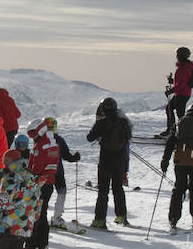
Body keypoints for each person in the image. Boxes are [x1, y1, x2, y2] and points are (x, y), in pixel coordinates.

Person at [86, 97, 132, 228]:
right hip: (120, 160)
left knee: (103, 191)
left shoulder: (102, 122)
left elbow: (89, 137)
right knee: (118, 188)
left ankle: (100, 220)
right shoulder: (123, 122)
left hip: (106, 160)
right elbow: (128, 137)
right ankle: (121, 216)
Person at [160, 106, 193, 231]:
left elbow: (170, 142)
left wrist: (165, 160)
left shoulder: (179, 124)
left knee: (179, 188)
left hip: (180, 160)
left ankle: (173, 218)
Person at [24, 119, 61, 249]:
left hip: (38, 184)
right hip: (49, 183)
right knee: (42, 215)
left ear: (39, 130)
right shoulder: (53, 144)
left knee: (33, 215)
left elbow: (36, 167)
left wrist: (27, 176)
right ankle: (43, 246)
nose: (32, 136)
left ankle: (30, 246)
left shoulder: (40, 146)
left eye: (32, 133)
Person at [46, 117, 81, 226]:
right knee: (45, 195)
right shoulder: (46, 140)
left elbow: (66, 155)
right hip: (48, 172)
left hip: (56, 172)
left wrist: (74, 158)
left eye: (51, 127)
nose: (50, 129)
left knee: (61, 192)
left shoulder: (57, 140)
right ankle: (42, 217)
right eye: (48, 127)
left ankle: (56, 217)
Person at [160, 47, 193, 138]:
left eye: (178, 54)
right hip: (182, 93)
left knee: (178, 113)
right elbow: (181, 82)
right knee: (173, 110)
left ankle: (179, 133)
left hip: (182, 93)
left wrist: (171, 90)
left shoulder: (184, 68)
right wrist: (172, 81)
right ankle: (174, 131)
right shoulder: (184, 67)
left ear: (181, 56)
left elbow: (181, 83)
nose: (176, 56)